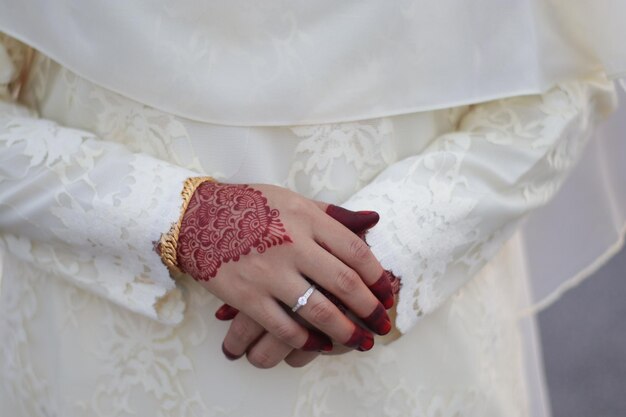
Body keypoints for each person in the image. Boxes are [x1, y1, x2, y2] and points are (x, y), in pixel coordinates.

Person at [1, 2, 625, 416]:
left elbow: (565, 84)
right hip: (105, 355)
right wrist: (183, 218)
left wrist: (375, 261)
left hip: (407, 355)